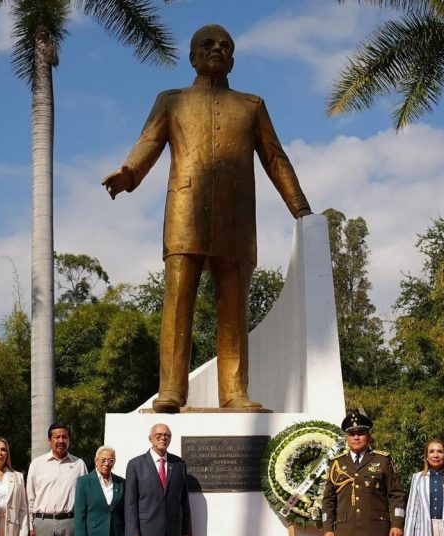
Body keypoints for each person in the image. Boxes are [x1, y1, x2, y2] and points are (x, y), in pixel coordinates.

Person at [103, 23, 312, 413]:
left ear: (233, 58)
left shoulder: (251, 106)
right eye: (208, 44)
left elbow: (275, 158)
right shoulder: (171, 100)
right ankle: (171, 391)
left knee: (234, 308)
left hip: (236, 220)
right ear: (193, 56)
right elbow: (149, 142)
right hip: (184, 216)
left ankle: (234, 391)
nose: (217, 50)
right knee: (178, 302)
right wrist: (129, 173)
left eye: (225, 46)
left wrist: (299, 207)